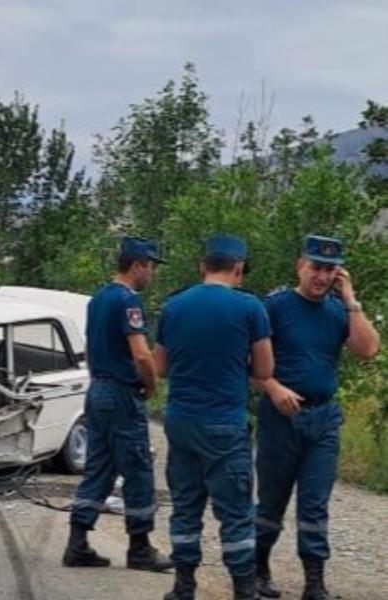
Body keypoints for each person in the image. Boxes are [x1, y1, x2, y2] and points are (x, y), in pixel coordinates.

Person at [253, 236, 380, 600]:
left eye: (329, 270)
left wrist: (352, 300)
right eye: (315, 267)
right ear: (300, 266)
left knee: (314, 505)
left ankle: (314, 582)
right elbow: (250, 363)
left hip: (323, 419)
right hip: (281, 418)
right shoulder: (275, 306)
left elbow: (368, 350)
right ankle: (259, 568)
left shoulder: (339, 311)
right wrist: (273, 388)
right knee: (271, 502)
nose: (321, 277)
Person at [155, 234, 275, 600]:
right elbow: (265, 368)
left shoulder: (173, 306)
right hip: (224, 422)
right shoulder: (250, 308)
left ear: (202, 266)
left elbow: (159, 368)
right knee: (236, 512)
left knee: (186, 507)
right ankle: (243, 589)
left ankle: (183, 586)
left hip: (180, 420)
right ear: (238, 269)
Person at [63, 237, 173, 573]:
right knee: (138, 467)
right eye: (150, 266)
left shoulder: (99, 298)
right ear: (138, 265)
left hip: (97, 390)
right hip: (122, 393)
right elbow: (140, 353)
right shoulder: (128, 301)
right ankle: (140, 547)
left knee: (100, 465)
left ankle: (77, 542)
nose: (151, 274)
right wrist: (151, 383)